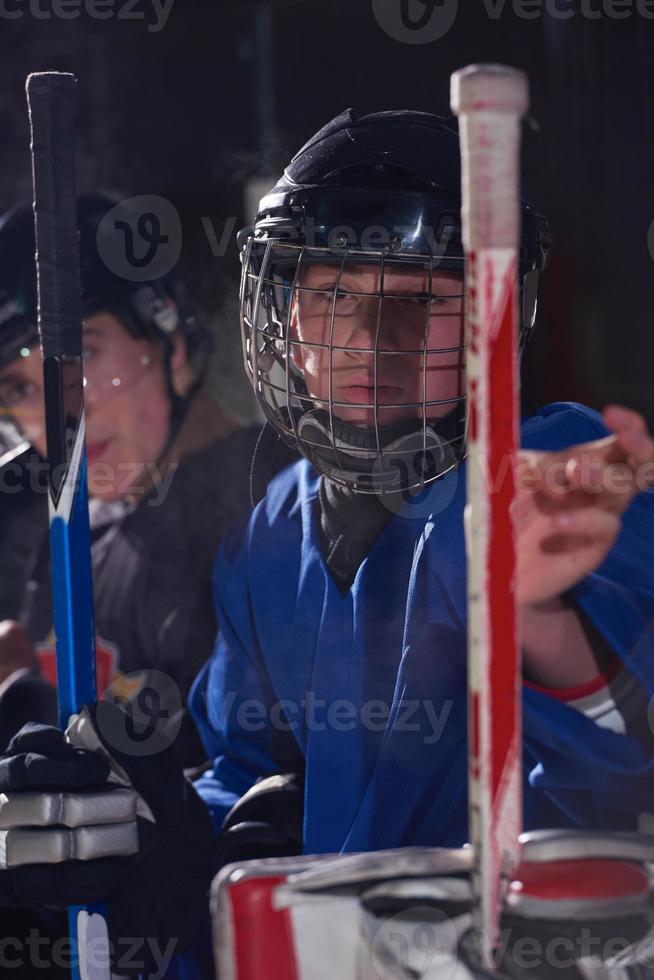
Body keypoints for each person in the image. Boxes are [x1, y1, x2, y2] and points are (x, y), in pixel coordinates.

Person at [0, 111, 653, 978]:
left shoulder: (546, 478)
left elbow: (624, 790)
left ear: (495, 314)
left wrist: (543, 623)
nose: (370, 343)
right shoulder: (271, 530)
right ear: (283, 318)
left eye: (422, 301)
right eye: (332, 296)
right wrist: (159, 843)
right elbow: (245, 790)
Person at [0, 192, 293, 765]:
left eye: (80, 357)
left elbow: (252, 786)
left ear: (172, 345)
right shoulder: (76, 531)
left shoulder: (281, 505)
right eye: (20, 387)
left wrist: (20, 700)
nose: (57, 414)